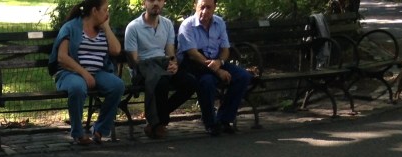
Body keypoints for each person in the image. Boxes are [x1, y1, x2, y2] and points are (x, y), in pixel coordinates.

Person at [49, 0, 124, 146]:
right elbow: (62, 57)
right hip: (70, 73)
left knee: (117, 86)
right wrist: (84, 73)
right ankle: (78, 133)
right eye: (105, 10)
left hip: (99, 72)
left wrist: (106, 27)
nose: (107, 13)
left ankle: (100, 129)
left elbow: (116, 50)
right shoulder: (71, 27)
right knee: (77, 87)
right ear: (94, 11)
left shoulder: (103, 29)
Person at [176, 0, 253, 135]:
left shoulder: (219, 22)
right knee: (207, 82)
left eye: (209, 7)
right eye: (202, 7)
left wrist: (220, 62)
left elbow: (225, 49)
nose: (205, 11)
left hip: (216, 61)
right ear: (195, 6)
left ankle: (224, 119)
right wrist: (218, 71)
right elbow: (193, 54)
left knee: (243, 76)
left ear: (214, 7)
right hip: (196, 65)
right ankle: (211, 123)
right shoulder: (187, 25)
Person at [124, 0, 196, 139]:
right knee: (161, 81)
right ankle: (160, 124)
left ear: (163, 3)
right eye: (151, 0)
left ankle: (156, 119)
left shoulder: (167, 24)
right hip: (143, 69)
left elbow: (170, 53)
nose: (155, 3)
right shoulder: (133, 27)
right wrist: (153, 66)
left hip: (163, 64)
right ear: (144, 3)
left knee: (190, 82)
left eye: (159, 0)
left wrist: (173, 64)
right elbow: (134, 62)